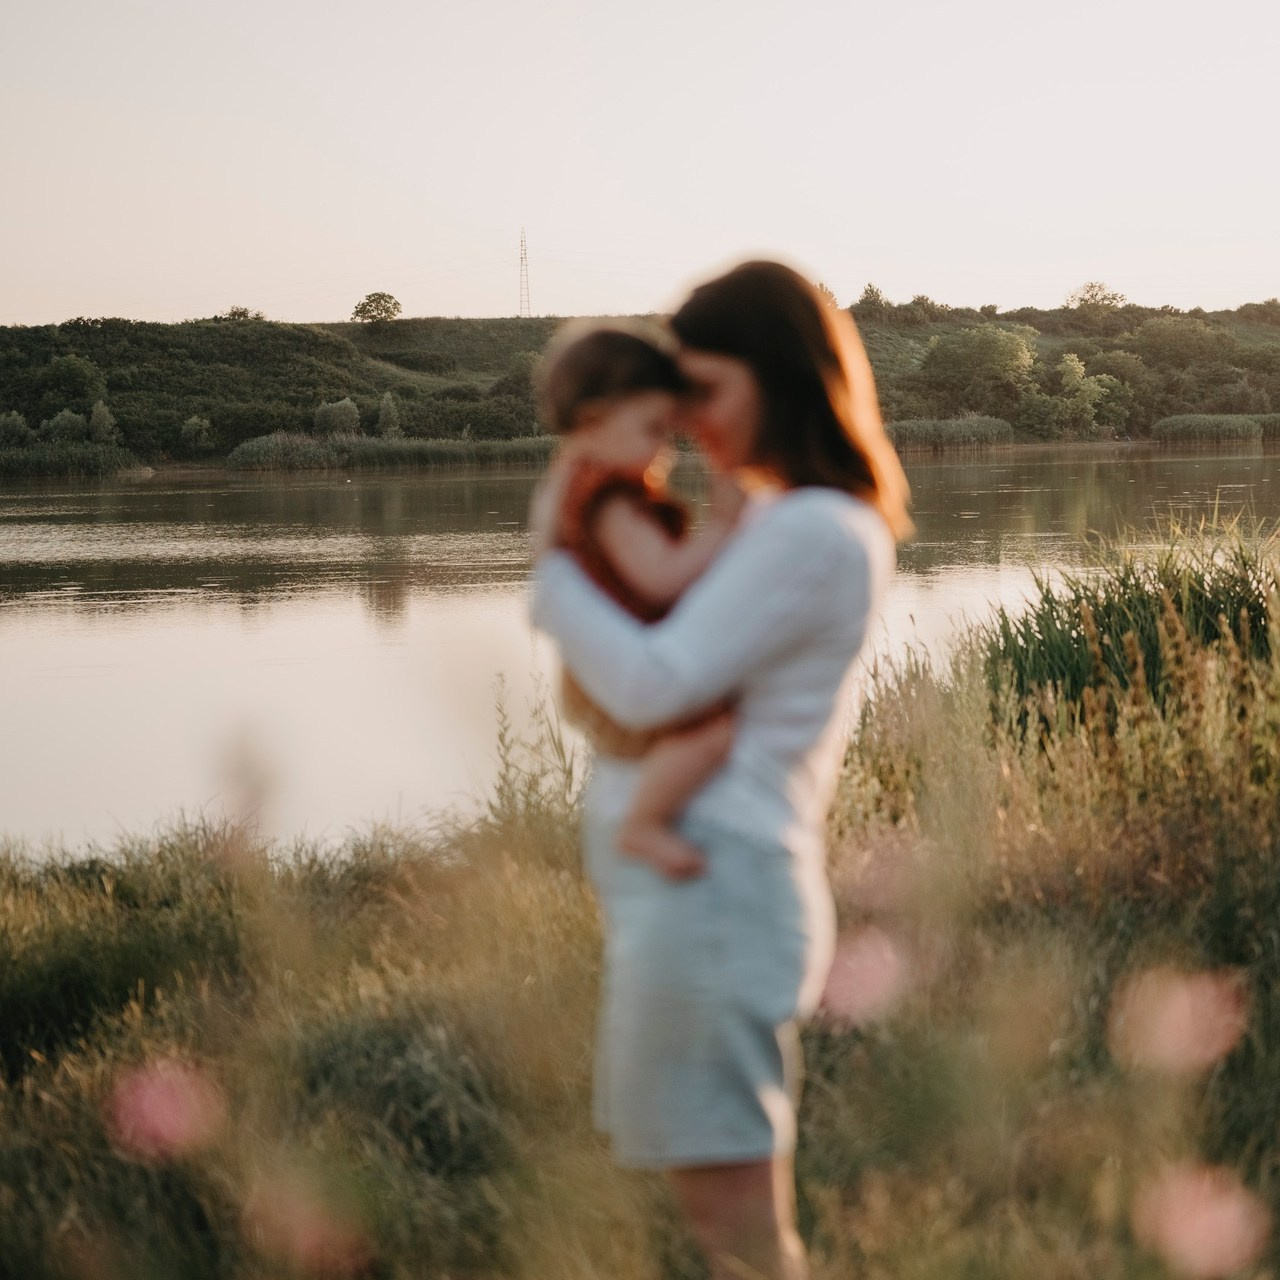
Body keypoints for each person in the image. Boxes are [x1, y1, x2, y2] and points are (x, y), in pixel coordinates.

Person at [528, 260, 912, 1280]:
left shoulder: (812, 528)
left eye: (705, 388)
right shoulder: (786, 517)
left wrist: (551, 581)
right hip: (700, 897)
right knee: (721, 1230)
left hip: (716, 895)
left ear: (777, 376)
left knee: (740, 1237)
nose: (686, 418)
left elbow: (651, 686)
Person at [537, 320, 744, 878]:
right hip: (637, 655)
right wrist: (722, 525)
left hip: (605, 664)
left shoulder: (570, 481)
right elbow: (662, 578)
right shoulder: (611, 501)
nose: (666, 452)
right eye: (653, 430)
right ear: (592, 420)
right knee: (712, 733)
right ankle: (645, 823)